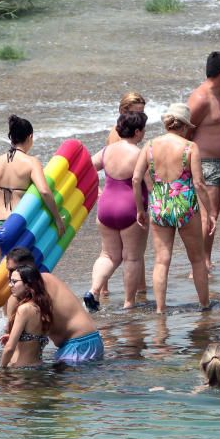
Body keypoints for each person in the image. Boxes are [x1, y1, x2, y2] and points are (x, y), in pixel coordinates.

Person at [133, 103, 216, 314]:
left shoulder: (150, 145)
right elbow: (198, 184)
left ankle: (160, 309)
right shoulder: (189, 147)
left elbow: (136, 179)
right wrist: (211, 210)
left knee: (161, 260)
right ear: (186, 126)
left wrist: (140, 209)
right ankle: (205, 305)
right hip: (185, 204)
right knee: (196, 259)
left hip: (159, 204)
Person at [84, 111, 149, 311]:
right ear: (137, 132)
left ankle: (93, 291)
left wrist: (96, 191)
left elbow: (85, 168)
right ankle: (129, 303)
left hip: (106, 207)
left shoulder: (106, 151)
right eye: (143, 130)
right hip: (130, 209)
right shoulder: (139, 154)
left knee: (108, 255)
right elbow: (150, 184)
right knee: (132, 257)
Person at [0, 115, 65, 256]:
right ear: (30, 137)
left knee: (7, 270)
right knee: (26, 270)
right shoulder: (31, 162)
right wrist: (57, 218)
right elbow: (44, 191)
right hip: (19, 221)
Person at [0, 263, 104, 367]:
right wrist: (17, 334)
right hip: (93, 338)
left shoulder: (25, 307)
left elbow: (10, 347)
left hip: (77, 346)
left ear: (28, 282)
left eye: (13, 281)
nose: (9, 284)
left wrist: (1, 371)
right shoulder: (42, 299)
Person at [187, 51, 220, 273]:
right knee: (207, 216)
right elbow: (184, 131)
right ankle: (199, 264)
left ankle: (206, 259)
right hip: (205, 163)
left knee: (214, 215)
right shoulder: (200, 98)